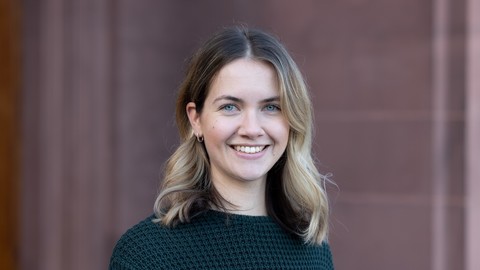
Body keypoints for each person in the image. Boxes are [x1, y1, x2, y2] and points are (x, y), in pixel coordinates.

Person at [109, 25, 334, 270]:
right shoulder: (145, 254)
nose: (252, 129)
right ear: (196, 119)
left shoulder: (313, 251)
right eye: (230, 107)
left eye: (271, 107)